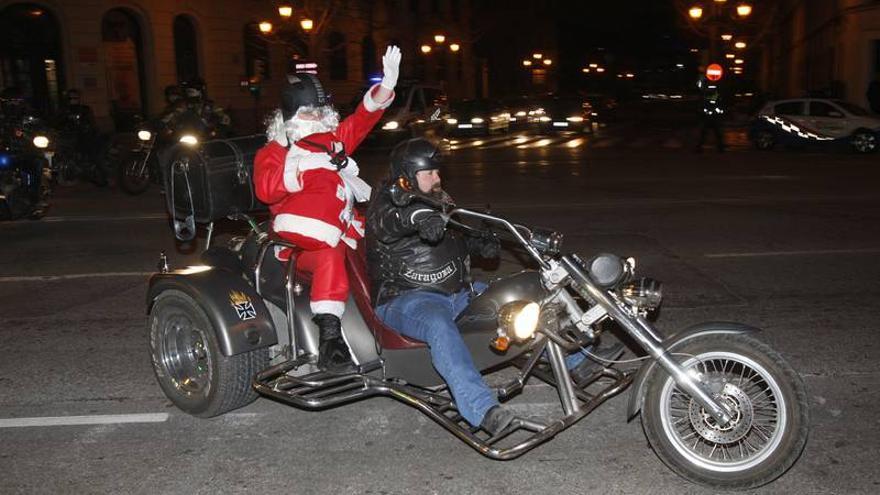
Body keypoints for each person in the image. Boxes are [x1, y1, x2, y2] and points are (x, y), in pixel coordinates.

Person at [365, 138, 623, 435]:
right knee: (439, 325)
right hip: (406, 299)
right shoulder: (385, 203)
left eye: (438, 172)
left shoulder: (439, 198)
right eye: (430, 173)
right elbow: (392, 222)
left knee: (516, 301)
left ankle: (577, 362)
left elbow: (452, 234)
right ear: (406, 176)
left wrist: (478, 241)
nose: (438, 178)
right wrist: (420, 218)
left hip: (457, 292)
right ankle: (482, 410)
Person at [254, 46, 402, 371]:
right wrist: (302, 168)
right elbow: (265, 189)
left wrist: (386, 87)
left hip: (343, 226)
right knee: (330, 254)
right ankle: (330, 341)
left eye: (320, 111)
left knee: (387, 242)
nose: (318, 119)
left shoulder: (330, 140)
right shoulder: (275, 151)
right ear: (290, 118)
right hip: (296, 242)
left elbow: (361, 121)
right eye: (309, 113)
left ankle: (396, 319)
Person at [695, 76, 725, 153]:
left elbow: (716, 102)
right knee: (706, 133)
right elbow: (699, 86)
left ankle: (720, 147)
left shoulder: (713, 91)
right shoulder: (707, 90)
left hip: (713, 116)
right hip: (709, 116)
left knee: (713, 132)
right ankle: (699, 147)